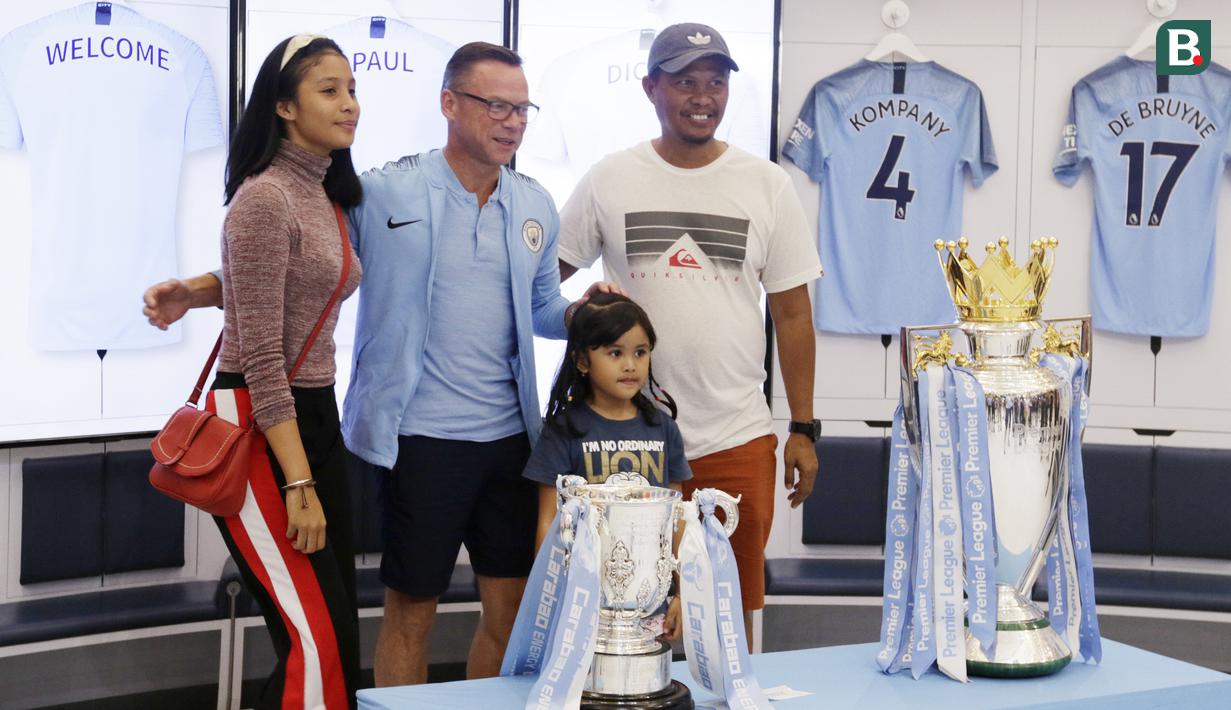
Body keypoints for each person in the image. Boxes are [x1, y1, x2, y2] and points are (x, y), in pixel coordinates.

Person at [143, 42, 617, 686]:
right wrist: (197, 290)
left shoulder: (534, 204)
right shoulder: (383, 190)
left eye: (522, 109)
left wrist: (578, 314)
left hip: (511, 441)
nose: (512, 121)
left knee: (510, 616)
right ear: (449, 104)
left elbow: (539, 307)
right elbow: (302, 272)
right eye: (496, 105)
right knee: (408, 618)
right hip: (418, 440)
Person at [556, 23, 824, 647]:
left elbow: (792, 314)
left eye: (715, 81)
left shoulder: (767, 185)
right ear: (651, 88)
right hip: (627, 439)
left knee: (728, 620)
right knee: (625, 617)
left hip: (736, 434)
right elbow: (545, 284)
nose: (702, 95)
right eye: (684, 81)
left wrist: (804, 429)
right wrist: (579, 316)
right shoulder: (609, 177)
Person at [210, 35, 362, 709]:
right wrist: (297, 481)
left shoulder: (323, 192)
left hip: (315, 412)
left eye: (351, 89)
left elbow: (269, 281)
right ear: (283, 106)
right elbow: (264, 357)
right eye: (328, 90)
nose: (349, 104)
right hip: (263, 419)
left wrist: (196, 287)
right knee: (315, 639)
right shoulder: (265, 196)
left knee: (333, 637)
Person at [522, 292, 691, 639]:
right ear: (583, 361)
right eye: (615, 353)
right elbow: (547, 521)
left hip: (648, 595)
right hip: (579, 597)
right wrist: (549, 593)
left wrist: (684, 591)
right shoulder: (563, 431)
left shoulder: (664, 429)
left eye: (640, 353)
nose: (630, 365)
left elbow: (678, 522)